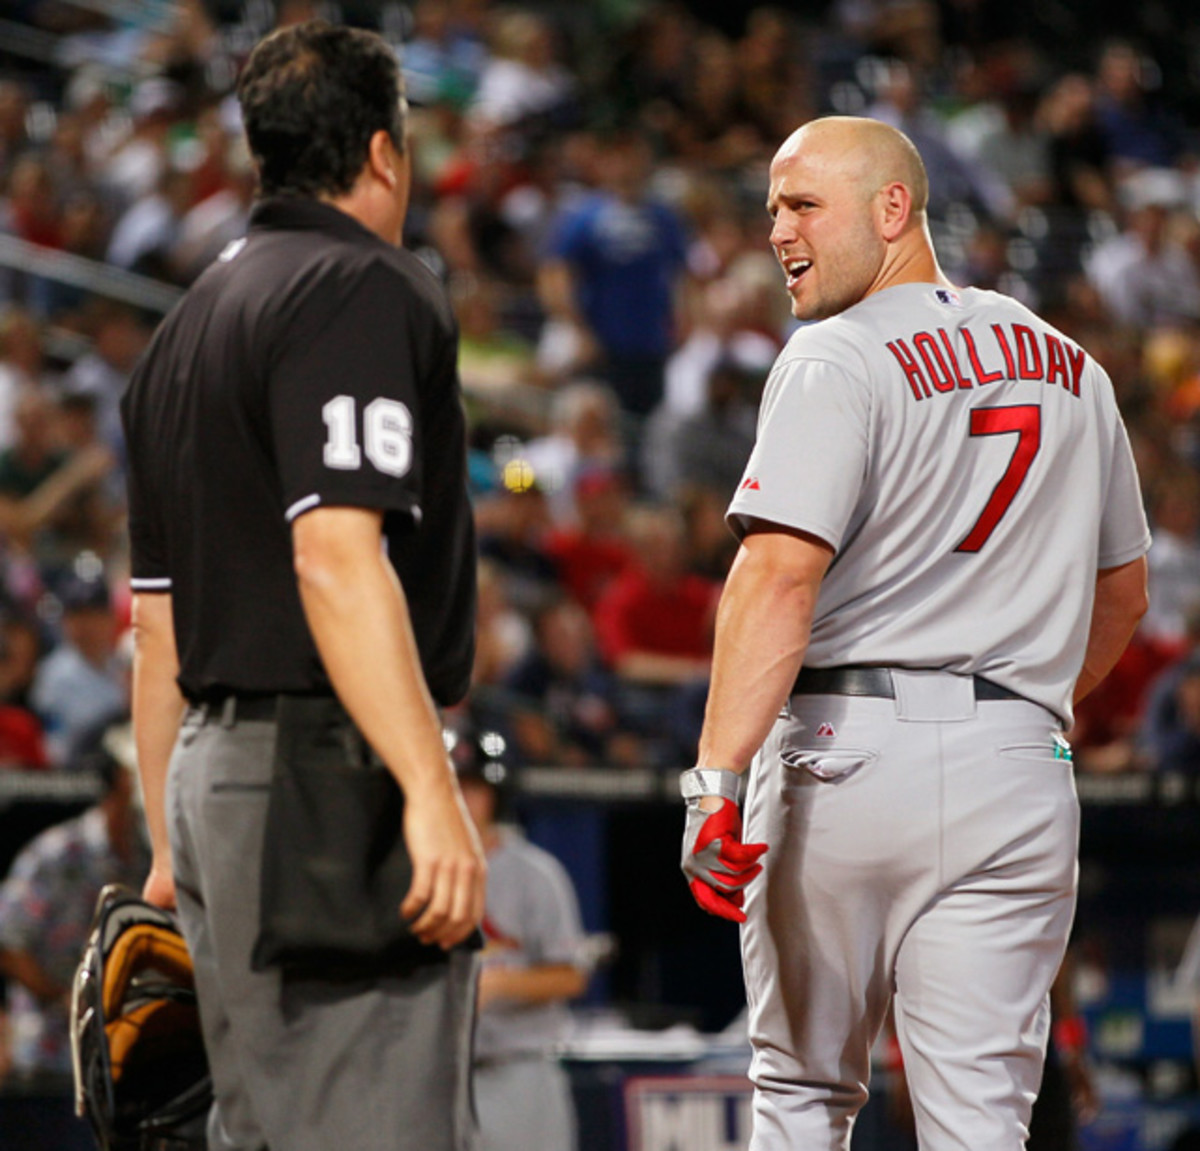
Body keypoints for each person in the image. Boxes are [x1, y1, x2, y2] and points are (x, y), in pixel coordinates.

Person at [677, 116, 1150, 1150]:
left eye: (804, 205)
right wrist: (1022, 714)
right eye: (772, 209)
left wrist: (714, 778)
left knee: (803, 1096)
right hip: (1018, 768)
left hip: (846, 756)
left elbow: (776, 575)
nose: (778, 230)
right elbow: (1124, 592)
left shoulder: (834, 355)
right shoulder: (1072, 365)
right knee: (982, 1123)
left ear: (893, 209)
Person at [120, 22, 485, 1151]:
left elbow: (155, 625)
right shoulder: (356, 285)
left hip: (212, 780)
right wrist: (428, 784)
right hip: (325, 783)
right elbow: (334, 554)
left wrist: (168, 846)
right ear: (383, 150)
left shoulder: (184, 326)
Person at [0, 721, 149, 1150]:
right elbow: (9, 943)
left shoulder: (149, 857)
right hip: (50, 1058)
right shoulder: (57, 852)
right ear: (114, 786)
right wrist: (67, 999)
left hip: (125, 1057)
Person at [449, 723, 590, 1151]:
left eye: (474, 789)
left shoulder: (534, 873)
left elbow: (571, 976)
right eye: (455, 787)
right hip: (439, 1074)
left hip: (518, 1071)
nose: (464, 800)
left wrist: (497, 984)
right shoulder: (413, 872)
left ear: (496, 796)